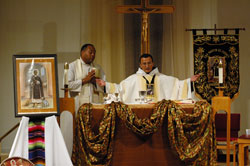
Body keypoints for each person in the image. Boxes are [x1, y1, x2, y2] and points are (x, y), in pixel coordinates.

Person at [96, 54, 200, 103]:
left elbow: (177, 85)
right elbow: (120, 88)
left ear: (153, 63)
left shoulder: (162, 78)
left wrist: (188, 81)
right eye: (144, 63)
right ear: (140, 65)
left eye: (149, 63)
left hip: (159, 111)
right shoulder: (133, 79)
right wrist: (107, 85)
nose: (147, 66)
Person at [68, 43, 106, 108]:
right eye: (90, 52)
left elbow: (105, 87)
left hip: (94, 105)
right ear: (82, 52)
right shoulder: (72, 66)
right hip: (78, 106)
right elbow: (68, 85)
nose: (93, 55)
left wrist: (95, 82)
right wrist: (84, 80)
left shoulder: (98, 68)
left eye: (94, 53)